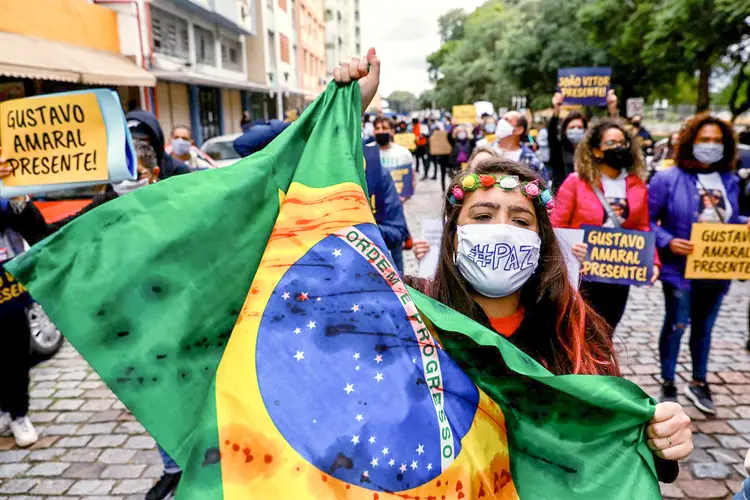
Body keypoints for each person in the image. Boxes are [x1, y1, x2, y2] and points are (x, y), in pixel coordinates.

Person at [334, 56, 693, 482]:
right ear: (453, 235)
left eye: (521, 221)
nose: (502, 230)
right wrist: (343, 114)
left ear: (542, 242)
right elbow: (323, 248)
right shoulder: (409, 308)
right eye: (483, 216)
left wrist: (662, 437)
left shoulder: (574, 325)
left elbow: (607, 435)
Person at [649, 113, 749, 413]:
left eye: (717, 141)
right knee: (677, 324)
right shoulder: (667, 178)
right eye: (704, 139)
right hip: (679, 271)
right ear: (691, 142)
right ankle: (668, 382)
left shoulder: (729, 180)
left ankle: (699, 381)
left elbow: (729, 218)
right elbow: (646, 221)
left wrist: (744, 224)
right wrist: (668, 241)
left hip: (716, 269)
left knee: (705, 328)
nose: (710, 145)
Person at [551, 119, 659, 334]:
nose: (619, 148)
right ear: (596, 151)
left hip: (619, 273)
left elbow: (642, 227)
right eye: (611, 143)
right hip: (582, 274)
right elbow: (556, 225)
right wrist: (572, 246)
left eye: (622, 143)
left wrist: (652, 261)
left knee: (607, 330)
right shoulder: (575, 182)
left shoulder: (637, 185)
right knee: (579, 331)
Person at [0, 149, 49, 448]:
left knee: (15, 353)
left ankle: (19, 414)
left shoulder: (9, 193)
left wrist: (17, 196)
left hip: (8, 288)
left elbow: (37, 231)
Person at [547, 91, 618, 190]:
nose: (576, 130)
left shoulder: (592, 150)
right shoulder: (558, 150)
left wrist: (612, 109)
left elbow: (610, 133)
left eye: (579, 127)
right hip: (562, 197)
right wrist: (556, 109)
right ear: (565, 130)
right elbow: (551, 134)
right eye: (572, 127)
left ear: (585, 130)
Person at [126, 110, 190, 179]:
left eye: (142, 140)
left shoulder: (178, 171)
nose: (136, 145)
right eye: (131, 140)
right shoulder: (116, 168)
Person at [488, 111, 548, 182]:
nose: (500, 122)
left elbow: (544, 189)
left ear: (519, 130)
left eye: (507, 120)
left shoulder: (531, 160)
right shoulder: (485, 151)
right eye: (502, 119)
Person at [373, 116, 415, 202]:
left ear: (392, 131)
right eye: (377, 128)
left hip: (396, 208)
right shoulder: (366, 152)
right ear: (374, 131)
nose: (380, 131)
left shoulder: (403, 153)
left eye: (384, 128)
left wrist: (403, 199)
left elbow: (412, 178)